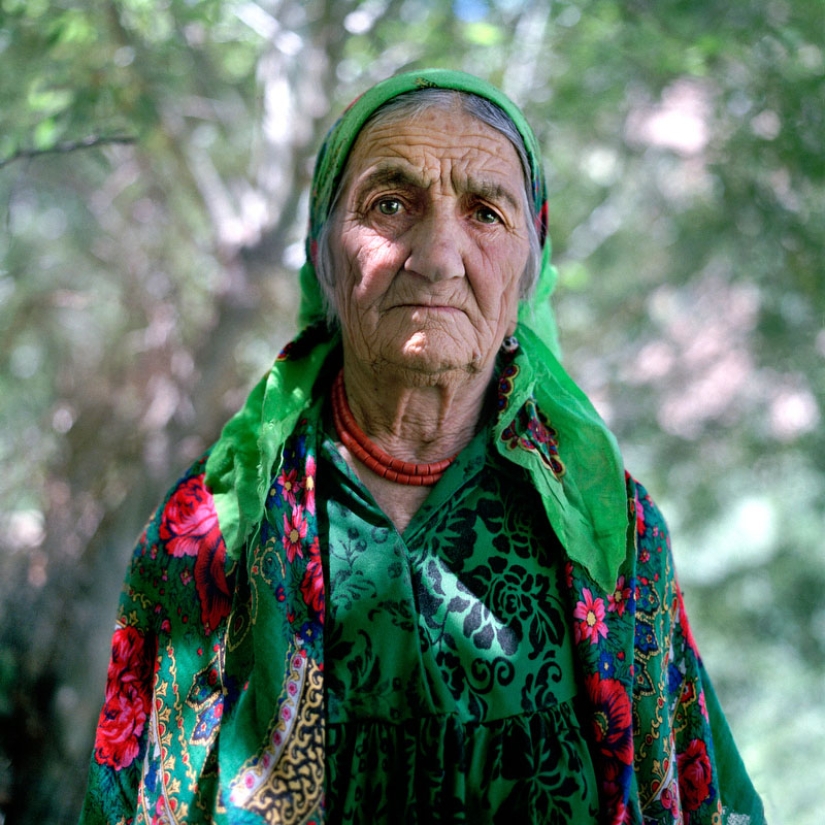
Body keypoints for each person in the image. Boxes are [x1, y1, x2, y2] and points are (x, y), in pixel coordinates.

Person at [79, 69, 765, 825]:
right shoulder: (209, 529)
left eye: (484, 213)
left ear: (528, 271)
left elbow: (695, 801)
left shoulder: (610, 533)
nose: (437, 256)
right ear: (323, 255)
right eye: (390, 205)